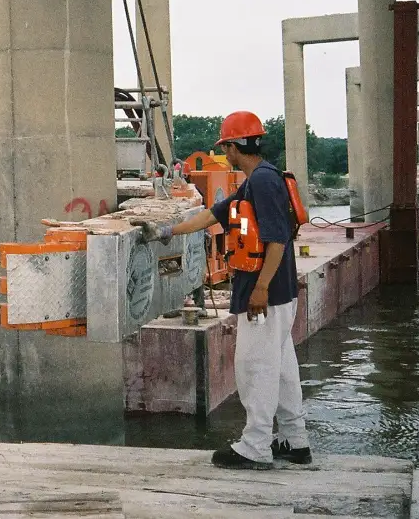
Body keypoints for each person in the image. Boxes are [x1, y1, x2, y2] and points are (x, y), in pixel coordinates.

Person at [132, 111, 310, 470]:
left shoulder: (261, 182)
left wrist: (260, 289)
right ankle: (294, 440)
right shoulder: (259, 178)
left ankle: (256, 446)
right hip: (279, 295)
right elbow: (214, 215)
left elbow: (276, 241)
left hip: (266, 298)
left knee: (255, 367)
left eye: (225, 146)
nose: (223, 153)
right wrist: (165, 232)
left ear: (233, 145)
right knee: (281, 368)